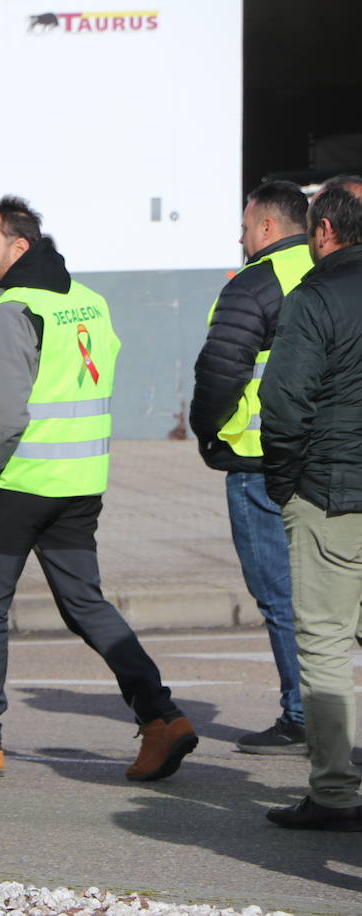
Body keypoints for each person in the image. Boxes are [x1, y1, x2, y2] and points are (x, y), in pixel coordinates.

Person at [0, 196, 197, 781]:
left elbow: (7, 414)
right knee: (86, 604)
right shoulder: (87, 301)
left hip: (21, 483)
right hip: (80, 481)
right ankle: (161, 717)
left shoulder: (14, 310)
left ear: (19, 248)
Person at [190, 181, 311, 755]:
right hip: (324, 457)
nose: (241, 238)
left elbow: (221, 370)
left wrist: (207, 430)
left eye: (244, 227)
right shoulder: (329, 273)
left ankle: (301, 715)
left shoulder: (254, 283)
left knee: (279, 594)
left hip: (258, 458)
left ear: (265, 227)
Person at [260, 175, 362, 831]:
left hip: (332, 490)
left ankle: (333, 792)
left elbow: (284, 402)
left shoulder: (315, 294)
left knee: (324, 643)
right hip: (335, 480)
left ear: (322, 232)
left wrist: (282, 480)